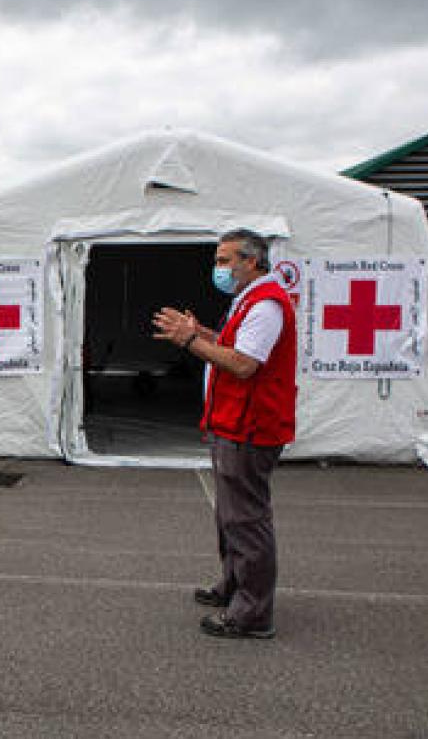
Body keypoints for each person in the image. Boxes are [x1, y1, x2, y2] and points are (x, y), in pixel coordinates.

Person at [152, 228, 296, 640]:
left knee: (246, 519)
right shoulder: (248, 301)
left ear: (251, 262)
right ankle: (234, 586)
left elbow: (244, 364)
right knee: (231, 516)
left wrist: (192, 339)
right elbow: (233, 349)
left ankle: (251, 614)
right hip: (234, 423)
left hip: (249, 427)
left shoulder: (266, 305)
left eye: (224, 260)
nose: (218, 269)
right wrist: (206, 336)